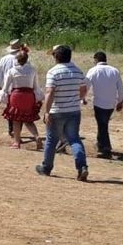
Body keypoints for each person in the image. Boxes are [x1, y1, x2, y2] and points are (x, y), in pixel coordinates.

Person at [36, 44, 90, 181]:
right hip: (73, 110)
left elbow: (50, 92)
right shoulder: (77, 71)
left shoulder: (53, 72)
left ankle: (46, 167)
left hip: (57, 110)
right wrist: (76, 99)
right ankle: (82, 166)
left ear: (56, 57)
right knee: (74, 139)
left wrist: (46, 112)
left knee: (51, 139)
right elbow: (84, 89)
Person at [0, 46, 42, 149]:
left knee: (16, 119)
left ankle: (16, 142)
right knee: (28, 119)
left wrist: (0, 98)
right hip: (29, 96)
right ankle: (37, 136)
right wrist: (38, 98)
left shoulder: (12, 71)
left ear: (17, 60)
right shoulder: (32, 70)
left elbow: (5, 88)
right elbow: (36, 86)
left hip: (16, 96)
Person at [84, 51, 123, 159]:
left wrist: (82, 98)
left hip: (99, 103)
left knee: (102, 124)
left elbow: (86, 85)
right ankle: (101, 144)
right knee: (103, 124)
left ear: (95, 59)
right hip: (111, 103)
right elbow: (120, 87)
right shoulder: (114, 70)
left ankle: (105, 147)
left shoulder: (93, 70)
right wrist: (121, 101)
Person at [0, 39, 24, 138]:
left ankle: (11, 129)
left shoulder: (4, 59)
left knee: (10, 109)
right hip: (20, 88)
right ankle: (18, 130)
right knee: (20, 110)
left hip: (8, 88)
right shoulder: (24, 58)